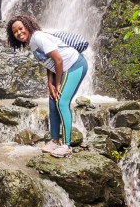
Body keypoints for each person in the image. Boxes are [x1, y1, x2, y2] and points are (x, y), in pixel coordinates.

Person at [7, 14, 87, 157]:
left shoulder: (38, 37)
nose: (19, 33)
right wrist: (50, 84)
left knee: (62, 102)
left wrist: (57, 84)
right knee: (52, 103)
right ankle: (54, 141)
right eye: (15, 32)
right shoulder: (32, 43)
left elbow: (58, 60)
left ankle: (67, 146)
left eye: (21, 28)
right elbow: (48, 62)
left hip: (74, 65)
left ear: (27, 26)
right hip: (61, 70)